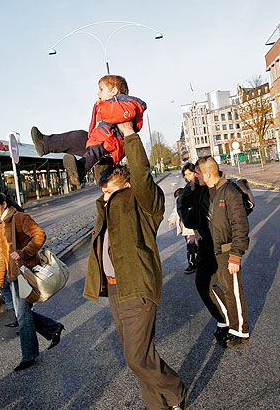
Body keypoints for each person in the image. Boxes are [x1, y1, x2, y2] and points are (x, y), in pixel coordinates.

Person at [82, 122, 187, 410]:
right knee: (143, 355)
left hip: (137, 287)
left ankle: (176, 390)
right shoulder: (108, 207)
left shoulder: (145, 203)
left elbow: (141, 175)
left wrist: (130, 135)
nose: (105, 197)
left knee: (136, 358)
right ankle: (157, 405)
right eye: (104, 193)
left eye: (111, 192)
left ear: (127, 187)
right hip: (116, 289)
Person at [0, 192, 64, 372]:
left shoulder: (20, 218)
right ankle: (53, 329)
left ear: (4, 204)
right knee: (23, 314)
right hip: (12, 276)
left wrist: (23, 252)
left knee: (22, 315)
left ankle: (29, 355)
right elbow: (1, 255)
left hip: (24, 273)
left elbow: (39, 236)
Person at [178, 156, 250, 347]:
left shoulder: (229, 192)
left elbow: (240, 226)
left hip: (226, 250)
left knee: (232, 291)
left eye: (198, 173)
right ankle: (225, 319)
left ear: (208, 174)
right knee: (204, 285)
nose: (195, 176)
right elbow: (184, 206)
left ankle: (239, 330)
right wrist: (192, 185)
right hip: (206, 248)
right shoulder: (200, 191)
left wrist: (236, 254)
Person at [31, 74, 147, 185]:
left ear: (114, 91)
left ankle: (80, 170)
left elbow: (126, 113)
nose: (98, 93)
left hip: (111, 143)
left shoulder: (124, 101)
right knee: (78, 137)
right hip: (100, 138)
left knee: (95, 151)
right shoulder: (110, 103)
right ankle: (45, 143)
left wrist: (105, 105)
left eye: (101, 90)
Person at [168, 188, 197, 274]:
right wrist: (171, 221)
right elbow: (175, 212)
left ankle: (192, 265)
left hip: (189, 229)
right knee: (193, 246)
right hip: (185, 229)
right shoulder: (179, 203)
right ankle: (203, 256)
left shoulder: (189, 202)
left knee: (190, 247)